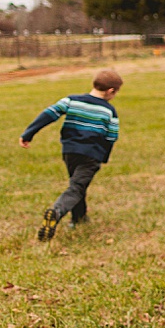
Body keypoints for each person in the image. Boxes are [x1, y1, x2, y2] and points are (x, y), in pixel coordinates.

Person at [20, 69, 123, 240]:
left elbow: (48, 114)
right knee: (76, 188)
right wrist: (103, 157)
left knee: (77, 184)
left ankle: (79, 218)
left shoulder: (71, 100)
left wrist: (28, 134)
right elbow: (111, 137)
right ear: (111, 91)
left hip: (70, 152)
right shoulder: (109, 111)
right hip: (91, 155)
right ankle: (57, 211)